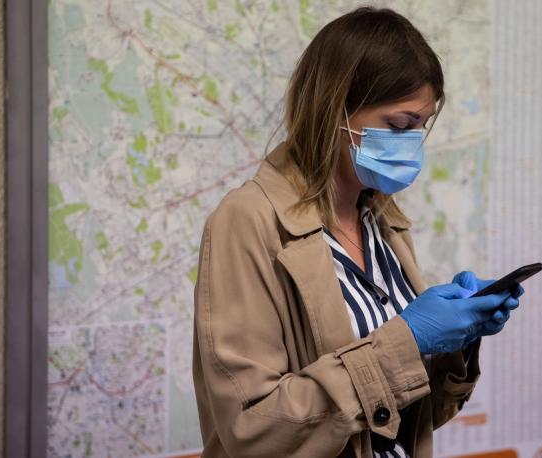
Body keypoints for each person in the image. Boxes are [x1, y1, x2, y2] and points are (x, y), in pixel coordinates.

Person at [192, 7, 523, 457]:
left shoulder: (382, 218)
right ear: (334, 109)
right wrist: (407, 340)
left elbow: (396, 422)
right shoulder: (246, 221)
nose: (412, 144)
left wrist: (456, 340)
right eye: (398, 125)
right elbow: (253, 430)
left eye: (420, 127)